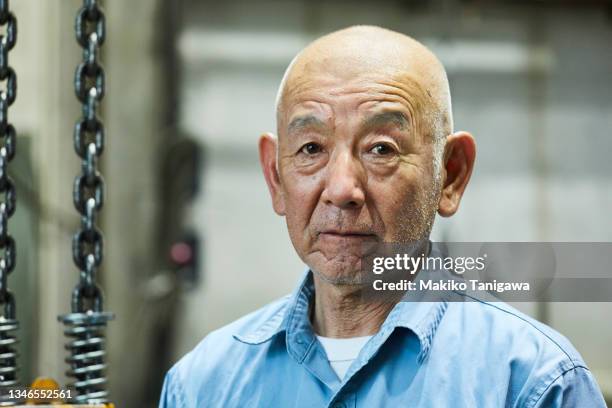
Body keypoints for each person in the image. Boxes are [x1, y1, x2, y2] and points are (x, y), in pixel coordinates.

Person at [159, 26, 606, 407]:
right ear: (275, 177)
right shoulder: (202, 385)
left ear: (450, 175)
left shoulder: (532, 382)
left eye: (381, 149)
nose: (341, 190)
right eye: (311, 149)